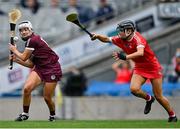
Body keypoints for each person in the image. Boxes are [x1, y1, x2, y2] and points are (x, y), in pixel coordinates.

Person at [91, 20, 177, 122]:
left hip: (153, 67)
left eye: (121, 30)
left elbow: (140, 53)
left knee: (159, 96)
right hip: (140, 67)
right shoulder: (120, 39)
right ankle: (149, 99)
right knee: (134, 89)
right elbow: (106, 39)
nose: (119, 32)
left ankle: (172, 115)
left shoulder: (138, 39)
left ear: (128, 31)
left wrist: (126, 57)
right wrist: (97, 36)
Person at [9, 20, 62, 122]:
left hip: (52, 68)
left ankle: (52, 116)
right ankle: (25, 114)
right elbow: (31, 64)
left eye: (26, 29)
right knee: (27, 89)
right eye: (21, 30)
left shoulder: (33, 40)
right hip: (40, 68)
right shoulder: (30, 42)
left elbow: (24, 57)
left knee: (47, 97)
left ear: (31, 30)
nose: (23, 32)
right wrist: (16, 60)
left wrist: (14, 50)